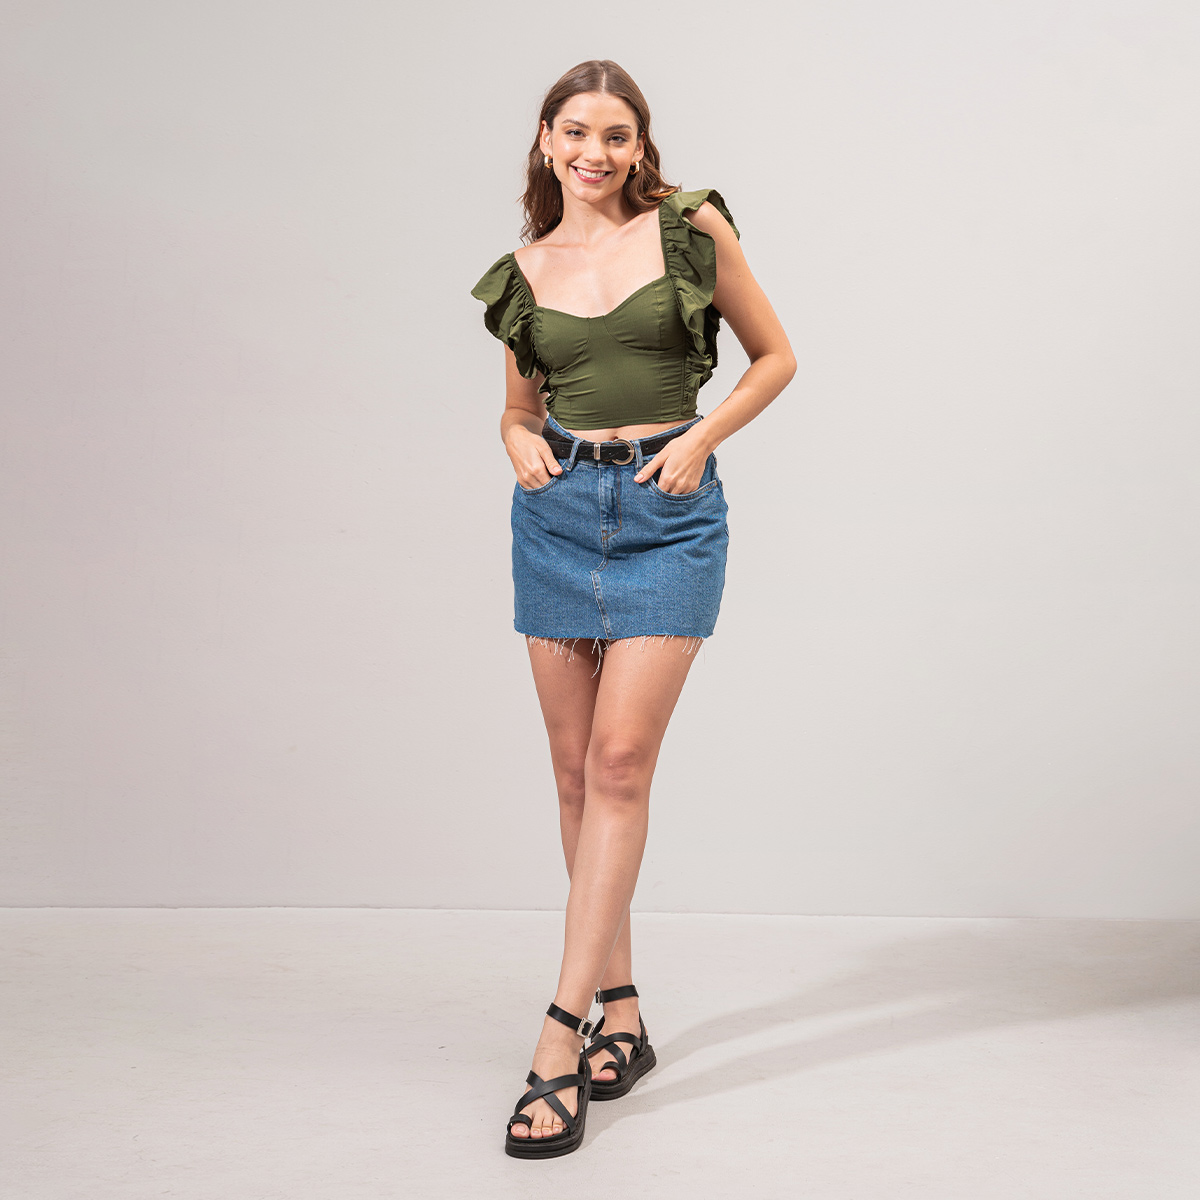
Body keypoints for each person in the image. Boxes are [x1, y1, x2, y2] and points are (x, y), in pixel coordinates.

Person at [470, 58, 796, 1159]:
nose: (595, 153)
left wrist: (702, 437)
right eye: (575, 132)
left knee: (618, 765)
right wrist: (516, 440)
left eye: (616, 134)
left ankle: (557, 1035)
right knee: (573, 775)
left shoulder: (690, 229)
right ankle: (622, 1011)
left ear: (640, 144)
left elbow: (776, 358)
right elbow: (519, 409)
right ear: (546, 140)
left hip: (668, 515)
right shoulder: (524, 271)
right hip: (558, 520)